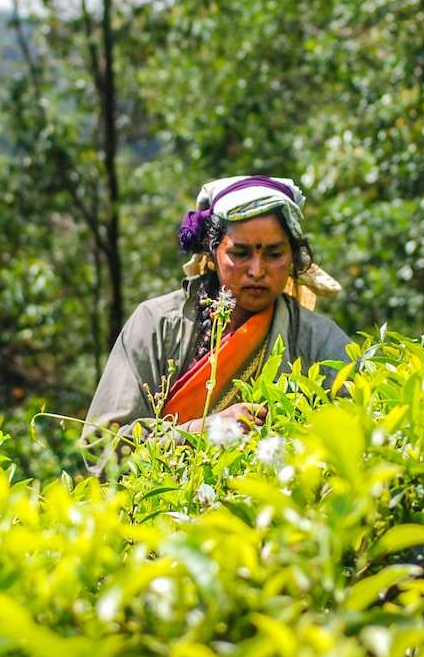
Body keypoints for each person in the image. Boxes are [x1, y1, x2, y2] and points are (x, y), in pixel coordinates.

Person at [83, 175, 351, 457]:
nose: (257, 270)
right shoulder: (157, 325)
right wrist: (206, 430)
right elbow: (101, 448)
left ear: (294, 258)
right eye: (240, 253)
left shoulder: (317, 339)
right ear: (212, 253)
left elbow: (362, 426)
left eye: (274, 254)